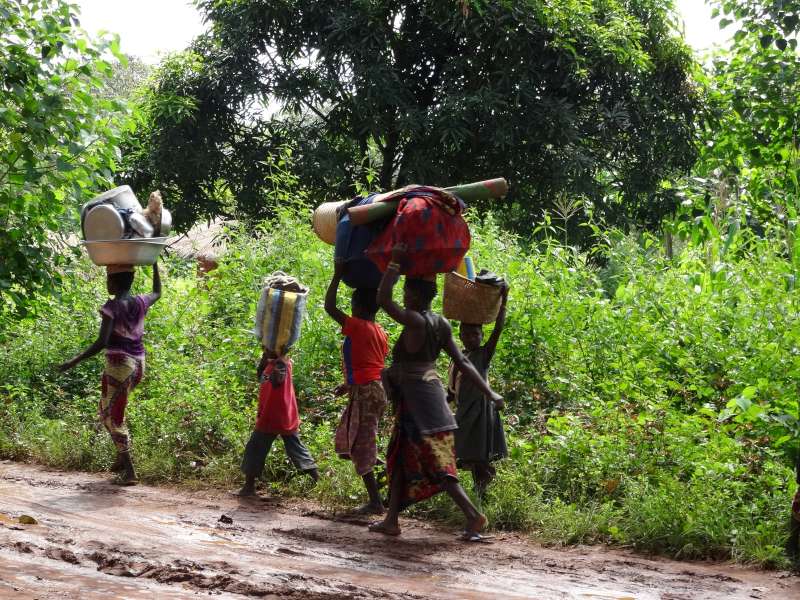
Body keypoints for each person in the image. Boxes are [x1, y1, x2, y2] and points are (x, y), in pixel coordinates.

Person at [369, 243, 504, 541]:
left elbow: (382, 299)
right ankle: (391, 520)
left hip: (420, 408)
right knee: (401, 458)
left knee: (440, 467)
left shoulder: (415, 321)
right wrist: (490, 393)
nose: (403, 296)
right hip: (429, 404)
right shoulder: (440, 323)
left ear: (415, 296)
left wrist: (394, 263)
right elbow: (464, 363)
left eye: (406, 292)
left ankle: (473, 516)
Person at [58, 262, 162, 485]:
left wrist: (73, 361)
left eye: (108, 279)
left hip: (119, 365)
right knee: (109, 410)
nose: (107, 283)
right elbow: (157, 292)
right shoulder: (140, 302)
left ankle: (130, 470)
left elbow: (102, 342)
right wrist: (154, 264)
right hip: (138, 365)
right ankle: (120, 457)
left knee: (111, 416)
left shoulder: (111, 308)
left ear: (114, 282)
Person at [324, 259, 389, 514]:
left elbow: (329, 306)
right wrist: (348, 384)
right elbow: (369, 363)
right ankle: (383, 474)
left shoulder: (359, 326)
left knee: (361, 444)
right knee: (354, 441)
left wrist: (337, 274)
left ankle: (376, 501)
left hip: (367, 392)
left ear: (358, 307)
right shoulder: (379, 330)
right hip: (371, 389)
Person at [448, 283, 510, 500]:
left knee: (479, 453)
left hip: (480, 413)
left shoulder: (483, 356)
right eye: (467, 333)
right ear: (460, 334)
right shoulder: (457, 358)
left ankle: (483, 490)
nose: (471, 337)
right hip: (464, 412)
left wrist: (504, 300)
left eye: (475, 333)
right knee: (470, 453)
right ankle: (480, 489)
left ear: (482, 336)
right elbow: (452, 388)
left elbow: (498, 329)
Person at [238, 348, 319, 496]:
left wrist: (275, 360)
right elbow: (261, 378)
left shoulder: (281, 364)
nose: (264, 349)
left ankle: (248, 487)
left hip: (273, 414)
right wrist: (265, 360)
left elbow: (277, 382)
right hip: (281, 414)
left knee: (255, 448)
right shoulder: (274, 363)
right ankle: (318, 482)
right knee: (296, 448)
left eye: (267, 347)